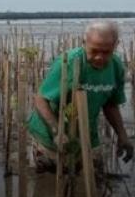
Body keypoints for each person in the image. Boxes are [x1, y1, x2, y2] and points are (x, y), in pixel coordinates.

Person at [28, 21, 133, 171]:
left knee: (95, 177)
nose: (99, 57)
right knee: (48, 178)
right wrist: (57, 131)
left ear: (116, 45)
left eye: (106, 52)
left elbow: (110, 104)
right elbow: (40, 99)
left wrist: (122, 135)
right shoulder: (69, 62)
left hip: (86, 132)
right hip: (49, 131)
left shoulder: (116, 67)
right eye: (94, 51)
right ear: (84, 43)